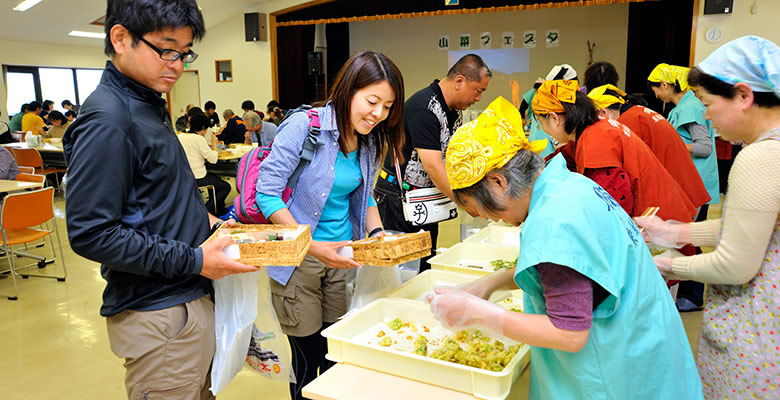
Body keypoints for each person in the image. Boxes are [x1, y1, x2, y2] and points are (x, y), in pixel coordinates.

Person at [429, 96, 703, 400]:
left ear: (498, 182)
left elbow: (569, 333)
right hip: (645, 341)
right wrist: (488, 284)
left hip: (615, 371)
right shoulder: (568, 186)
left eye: (480, 209)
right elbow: (572, 268)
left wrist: (477, 313)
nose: (489, 218)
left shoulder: (554, 223)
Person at [62, 1, 256, 399]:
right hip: (160, 311)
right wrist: (198, 259)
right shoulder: (109, 118)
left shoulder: (146, 104)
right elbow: (91, 232)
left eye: (184, 53)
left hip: (185, 298)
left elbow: (154, 194)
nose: (177, 64)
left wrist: (207, 223)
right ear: (120, 38)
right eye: (166, 50)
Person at [636, 35, 780, 398]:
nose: (707, 116)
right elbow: (751, 225)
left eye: (707, 103)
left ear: (744, 96)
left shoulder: (759, 157)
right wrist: (674, 232)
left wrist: (668, 268)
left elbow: (735, 264)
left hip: (757, 335)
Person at [256, 50, 405, 399]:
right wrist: (309, 244)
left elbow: (366, 194)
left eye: (387, 106)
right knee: (307, 361)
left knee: (335, 354)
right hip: (300, 260)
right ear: (349, 90)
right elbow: (267, 193)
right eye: (372, 101)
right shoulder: (304, 127)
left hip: (342, 257)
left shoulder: (370, 140)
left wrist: (378, 234)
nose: (378, 114)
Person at [374, 53, 491, 272]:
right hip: (398, 198)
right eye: (478, 91)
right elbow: (434, 166)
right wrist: (465, 202)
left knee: (424, 263)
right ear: (459, 81)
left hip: (423, 200)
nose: (478, 99)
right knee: (402, 269)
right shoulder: (425, 108)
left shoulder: (453, 111)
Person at [533, 80, 696, 223]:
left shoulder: (595, 140)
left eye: (541, 123)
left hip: (658, 224)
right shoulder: (593, 127)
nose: (543, 129)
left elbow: (612, 203)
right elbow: (565, 156)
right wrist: (534, 168)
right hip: (660, 210)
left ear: (555, 118)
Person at [648, 63, 719, 311]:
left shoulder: (691, 108)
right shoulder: (684, 107)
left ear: (666, 85)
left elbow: (704, 147)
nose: (656, 95)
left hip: (696, 184)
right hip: (689, 183)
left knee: (692, 241)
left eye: (656, 88)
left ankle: (693, 295)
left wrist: (672, 146)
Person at [588, 84, 711, 214]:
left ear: (603, 112)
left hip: (679, 196)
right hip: (687, 188)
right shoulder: (638, 112)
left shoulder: (628, 123)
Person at [179, 113, 231, 216]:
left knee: (215, 179)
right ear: (203, 128)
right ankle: (207, 211)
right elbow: (213, 159)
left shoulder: (180, 136)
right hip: (198, 176)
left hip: (184, 176)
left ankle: (218, 209)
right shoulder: (198, 139)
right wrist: (215, 145)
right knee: (225, 187)